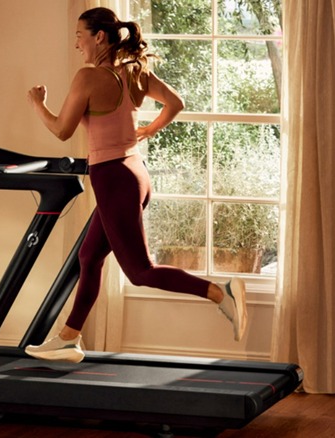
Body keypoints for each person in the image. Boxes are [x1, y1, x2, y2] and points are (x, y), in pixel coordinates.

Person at [24, 7, 247, 363]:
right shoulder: (135, 71)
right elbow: (175, 103)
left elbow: (62, 130)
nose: (77, 43)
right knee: (89, 256)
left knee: (140, 272)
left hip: (113, 179)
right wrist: (148, 130)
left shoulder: (87, 77)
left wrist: (38, 104)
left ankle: (222, 294)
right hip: (134, 173)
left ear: (99, 37)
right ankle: (69, 338)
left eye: (80, 35)